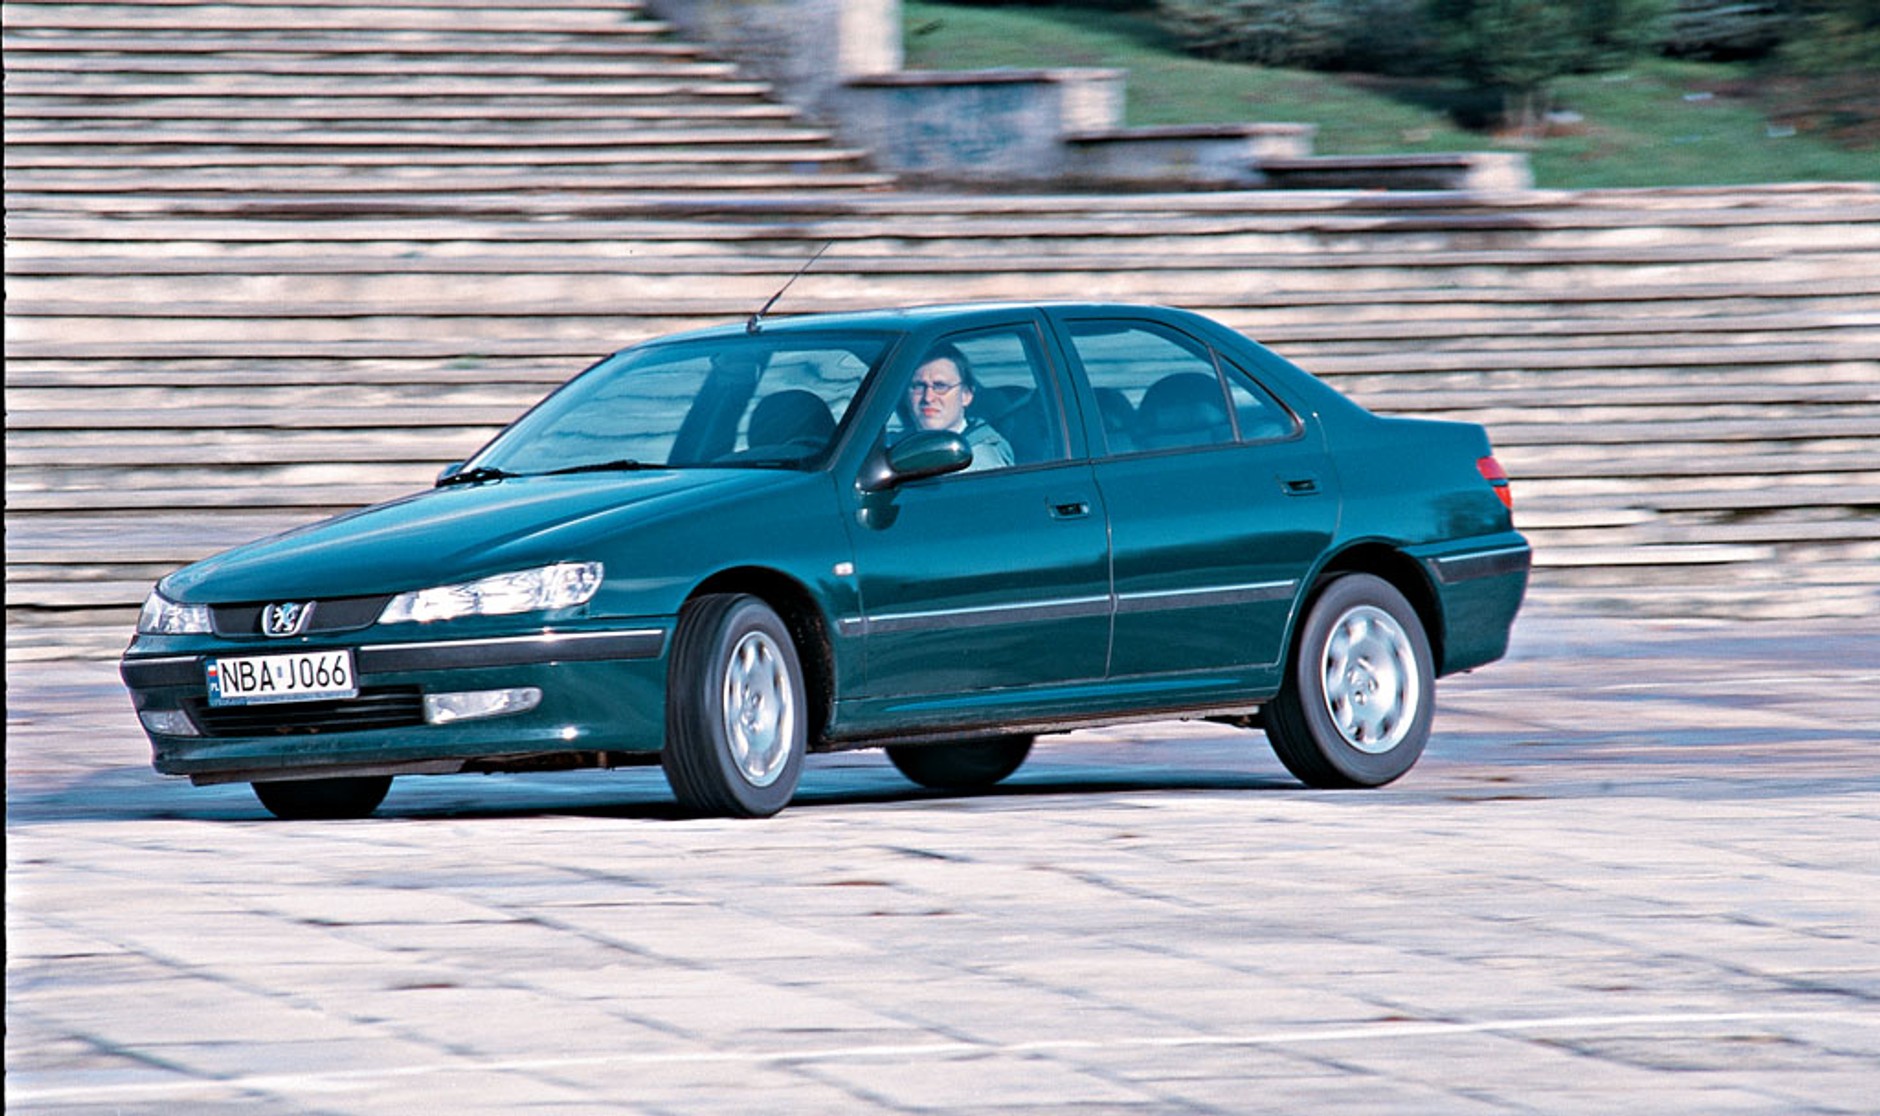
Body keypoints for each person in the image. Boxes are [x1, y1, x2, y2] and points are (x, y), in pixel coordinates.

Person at [904, 345, 1014, 473]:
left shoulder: (980, 463)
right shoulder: (892, 446)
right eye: (919, 386)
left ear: (966, 395)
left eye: (940, 386)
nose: (928, 397)